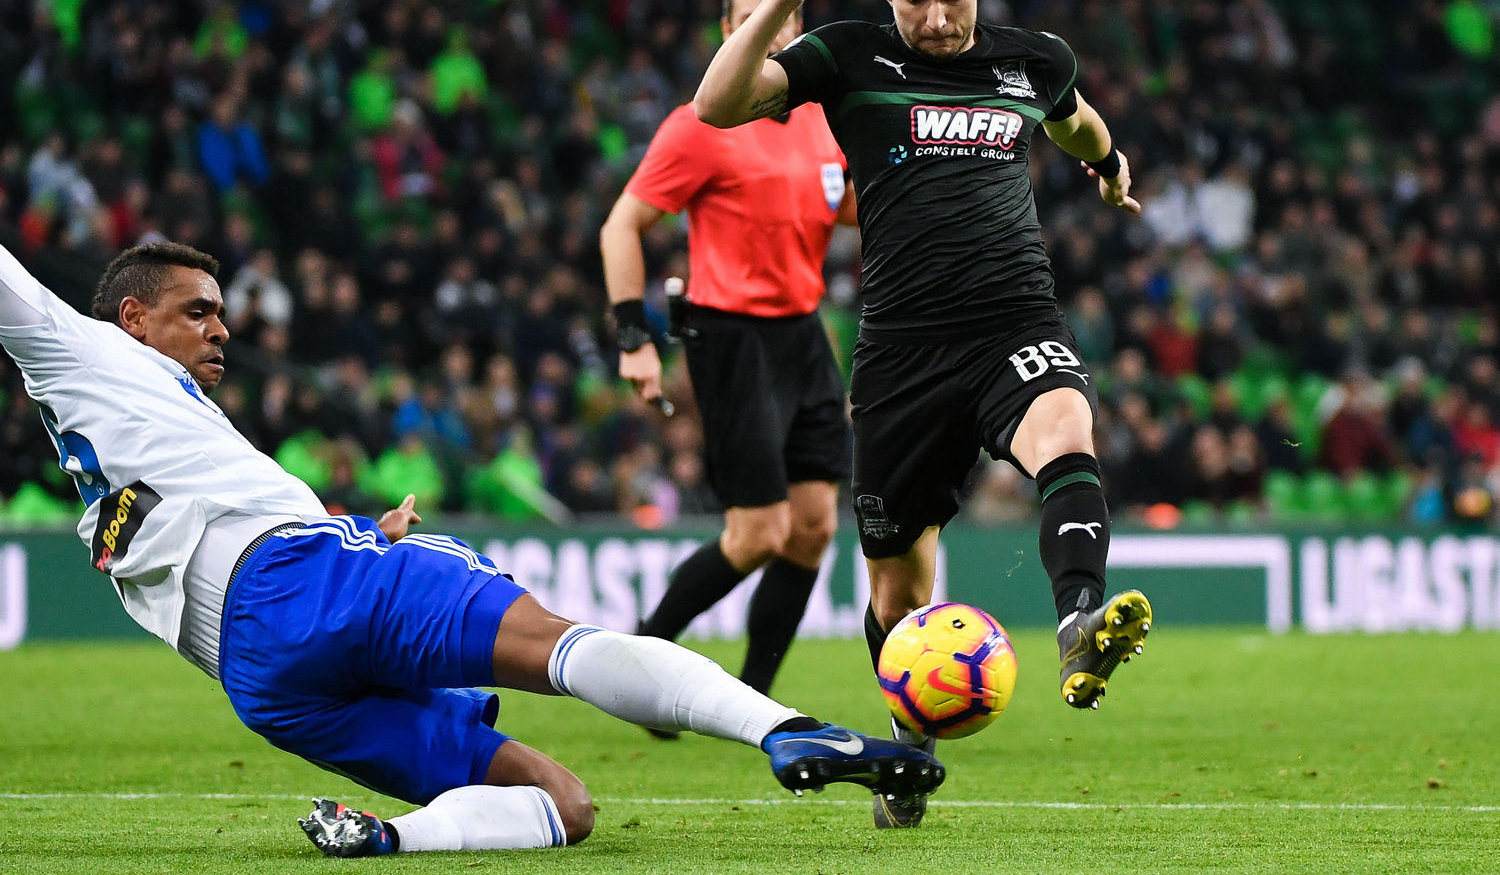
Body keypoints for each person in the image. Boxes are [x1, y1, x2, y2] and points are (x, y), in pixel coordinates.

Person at [0, 239, 942, 856]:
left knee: (564, 805)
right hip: (304, 582)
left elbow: (195, 532)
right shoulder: (82, 350)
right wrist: (333, 551)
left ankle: (388, 841)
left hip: (263, 679)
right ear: (133, 320)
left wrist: (359, 533)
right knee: (560, 646)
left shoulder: (129, 433)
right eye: (198, 311)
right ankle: (781, 728)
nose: (223, 326)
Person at [693, 0, 1153, 828]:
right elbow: (718, 104)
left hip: (1012, 321)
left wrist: (1109, 170)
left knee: (1066, 425)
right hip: (902, 355)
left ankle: (1078, 620)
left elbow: (1077, 123)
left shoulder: (1032, 62)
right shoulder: (848, 55)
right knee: (899, 591)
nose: (936, 19)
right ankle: (911, 753)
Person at [600, 0, 855, 708]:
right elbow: (622, 225)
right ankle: (638, 660)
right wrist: (633, 338)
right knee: (759, 533)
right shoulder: (699, 125)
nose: (773, 31)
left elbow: (847, 207)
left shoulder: (821, 119)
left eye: (786, 16)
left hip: (803, 333)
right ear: (727, 32)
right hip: (731, 337)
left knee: (812, 528)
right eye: (755, 18)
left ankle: (756, 700)